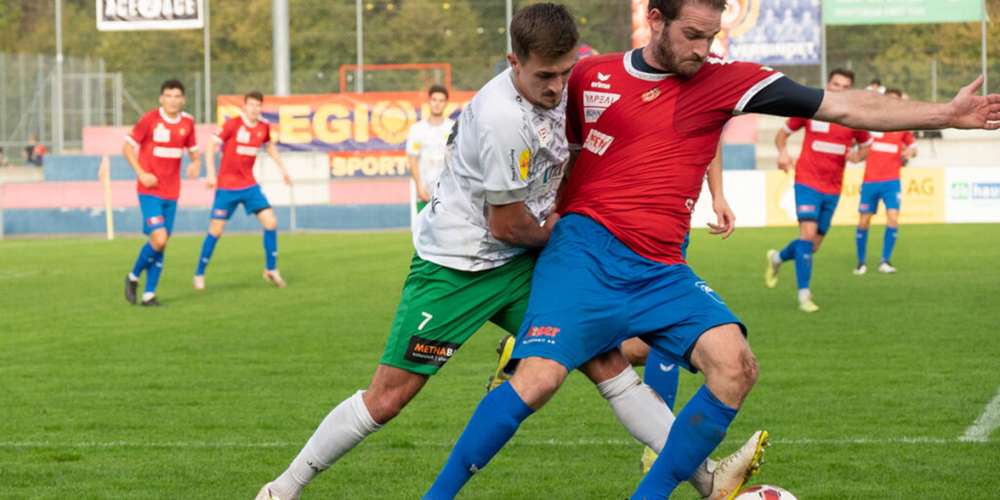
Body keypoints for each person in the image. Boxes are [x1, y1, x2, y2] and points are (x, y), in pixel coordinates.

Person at [419, 1, 1000, 499]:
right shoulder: (590, 75)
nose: (703, 48)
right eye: (692, 34)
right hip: (584, 252)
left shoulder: (728, 81)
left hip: (661, 268)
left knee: (735, 366)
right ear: (655, 20)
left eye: (711, 35)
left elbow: (844, 106)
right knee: (538, 381)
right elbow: (546, 145)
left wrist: (946, 115)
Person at [254, 5, 755, 500]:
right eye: (544, 76)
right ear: (514, 62)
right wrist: (575, 236)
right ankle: (282, 489)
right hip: (459, 266)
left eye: (565, 73)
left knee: (606, 362)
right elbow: (506, 225)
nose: (557, 87)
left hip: (522, 261)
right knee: (387, 399)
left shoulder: (570, 86)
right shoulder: (501, 118)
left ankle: (706, 480)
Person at [766, 68, 872, 313]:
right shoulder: (811, 108)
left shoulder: (853, 117)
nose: (839, 89)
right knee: (808, 234)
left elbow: (866, 145)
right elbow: (782, 135)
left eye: (845, 87)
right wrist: (783, 153)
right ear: (827, 83)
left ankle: (777, 258)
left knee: (812, 245)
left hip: (833, 187)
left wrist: (858, 156)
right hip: (807, 181)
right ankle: (804, 295)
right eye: (836, 84)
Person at [193, 90, 292, 290]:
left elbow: (269, 146)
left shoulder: (263, 127)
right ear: (244, 106)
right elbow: (211, 144)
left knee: (271, 222)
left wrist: (282, 170)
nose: (254, 109)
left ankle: (271, 269)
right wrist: (211, 174)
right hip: (227, 187)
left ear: (261, 107)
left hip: (249, 186)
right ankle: (199, 273)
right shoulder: (233, 125)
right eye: (251, 105)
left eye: (258, 105)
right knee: (216, 230)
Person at [123, 79, 201, 307]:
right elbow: (127, 147)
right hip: (149, 191)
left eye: (177, 97)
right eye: (168, 96)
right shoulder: (150, 119)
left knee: (161, 243)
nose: (172, 101)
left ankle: (149, 295)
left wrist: (196, 163)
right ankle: (133, 276)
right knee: (160, 238)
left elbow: (194, 152)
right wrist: (141, 173)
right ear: (161, 98)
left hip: (172, 192)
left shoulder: (187, 123)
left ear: (183, 100)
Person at [853, 88, 916, 275]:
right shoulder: (870, 121)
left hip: (892, 181)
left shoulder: (903, 124)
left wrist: (910, 152)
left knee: (893, 218)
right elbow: (857, 143)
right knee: (864, 221)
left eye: (895, 100)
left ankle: (885, 261)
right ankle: (861, 263)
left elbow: (913, 148)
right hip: (870, 180)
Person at [405, 84, 454, 212]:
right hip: (425, 192)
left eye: (441, 100)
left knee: (446, 224)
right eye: (434, 100)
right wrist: (419, 187)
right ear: (429, 102)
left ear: (446, 103)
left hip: (447, 193)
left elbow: (456, 159)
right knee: (423, 224)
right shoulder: (417, 129)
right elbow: (413, 160)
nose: (437, 104)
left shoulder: (452, 128)